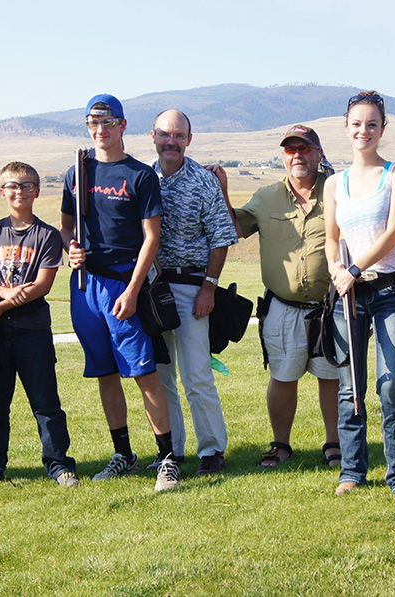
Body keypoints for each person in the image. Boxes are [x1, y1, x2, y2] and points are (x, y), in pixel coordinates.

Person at [59, 94, 179, 492]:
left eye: (108, 122)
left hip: (124, 282)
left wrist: (132, 290)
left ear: (123, 125)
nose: (101, 130)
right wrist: (70, 248)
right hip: (85, 285)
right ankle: (123, 455)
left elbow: (151, 239)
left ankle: (166, 459)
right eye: (94, 122)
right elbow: (66, 228)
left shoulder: (139, 175)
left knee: (143, 373)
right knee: (104, 372)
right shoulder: (77, 172)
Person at [217, 124, 341, 469]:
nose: (297, 155)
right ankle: (280, 444)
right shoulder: (266, 196)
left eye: (304, 149)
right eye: (291, 150)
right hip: (282, 307)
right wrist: (224, 192)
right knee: (283, 377)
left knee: (331, 377)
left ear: (318, 153)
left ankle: (334, 444)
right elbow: (233, 228)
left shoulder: (337, 192)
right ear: (283, 156)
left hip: (329, 307)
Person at [323, 91, 395, 502]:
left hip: (390, 289)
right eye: (357, 124)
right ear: (346, 128)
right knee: (350, 386)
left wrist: (357, 268)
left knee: (390, 384)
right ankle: (352, 470)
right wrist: (337, 270)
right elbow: (331, 239)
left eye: (372, 124)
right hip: (349, 294)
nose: (364, 130)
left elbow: (394, 233)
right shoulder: (333, 183)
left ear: (383, 128)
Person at [0, 162, 78, 491]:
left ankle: (58, 464)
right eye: (12, 186)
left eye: (27, 186)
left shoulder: (47, 236)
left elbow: (42, 285)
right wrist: (2, 296)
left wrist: (1, 306)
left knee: (46, 403)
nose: (19, 191)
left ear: (37, 191)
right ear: (2, 192)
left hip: (33, 331)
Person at [149, 109, 238, 475]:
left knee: (197, 375)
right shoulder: (142, 179)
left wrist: (209, 287)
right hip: (151, 288)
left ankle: (212, 450)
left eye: (179, 135)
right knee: (161, 373)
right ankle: (173, 450)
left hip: (191, 286)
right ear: (153, 136)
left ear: (189, 139)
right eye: (164, 135)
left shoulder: (203, 181)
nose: (171, 142)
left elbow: (221, 238)